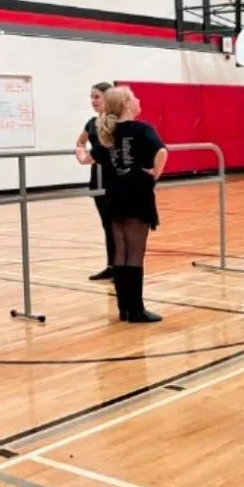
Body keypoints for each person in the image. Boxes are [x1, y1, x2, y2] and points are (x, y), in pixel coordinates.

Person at [76, 86, 167, 323]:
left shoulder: (108, 132)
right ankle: (136, 309)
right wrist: (155, 173)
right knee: (135, 252)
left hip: (114, 195)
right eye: (134, 98)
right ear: (127, 104)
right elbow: (161, 151)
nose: (138, 100)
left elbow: (87, 159)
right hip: (137, 193)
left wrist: (79, 150)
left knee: (120, 252)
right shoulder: (142, 128)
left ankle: (124, 308)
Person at [74, 81, 116, 281]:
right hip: (97, 179)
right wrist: (81, 153)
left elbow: (104, 149)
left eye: (97, 97)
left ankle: (121, 267)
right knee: (107, 224)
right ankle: (111, 266)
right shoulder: (91, 122)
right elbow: (80, 142)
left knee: (116, 224)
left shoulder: (114, 122)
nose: (93, 101)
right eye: (91, 97)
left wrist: (87, 158)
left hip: (114, 179)